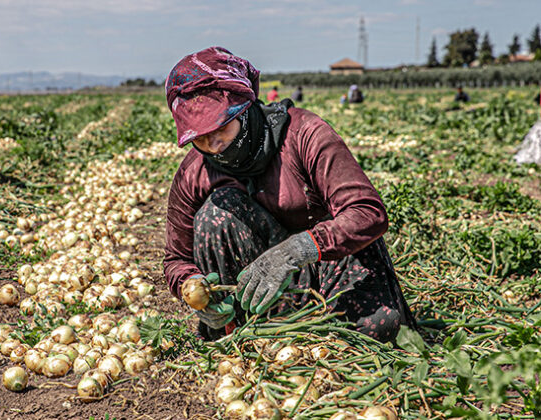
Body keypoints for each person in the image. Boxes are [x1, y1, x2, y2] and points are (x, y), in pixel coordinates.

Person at [163, 46, 416, 343]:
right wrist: (192, 286)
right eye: (199, 138)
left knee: (378, 328)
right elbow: (176, 259)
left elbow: (367, 212)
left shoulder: (305, 134)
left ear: (244, 109)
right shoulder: (195, 171)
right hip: (258, 285)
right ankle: (240, 329)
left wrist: (297, 249)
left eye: (220, 127)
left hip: (329, 263)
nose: (213, 144)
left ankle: (321, 322)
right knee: (215, 215)